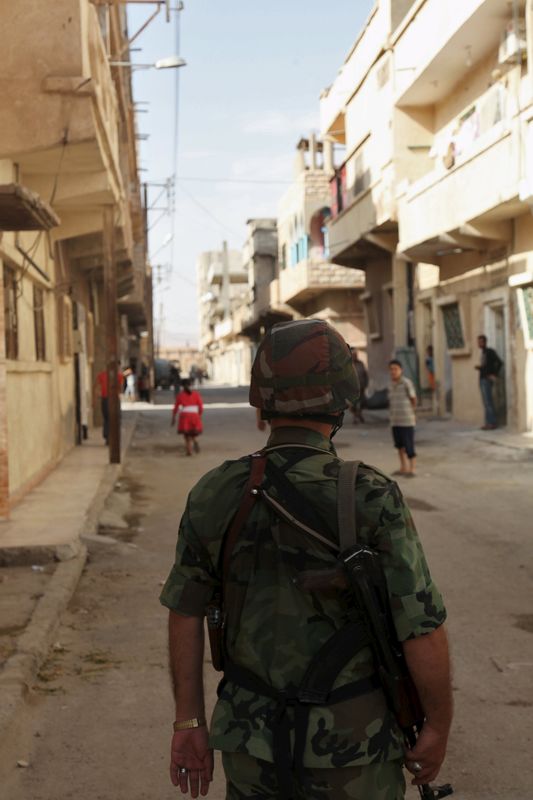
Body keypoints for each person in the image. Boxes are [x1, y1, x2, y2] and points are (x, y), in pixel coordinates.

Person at [160, 319, 452, 800]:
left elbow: (185, 610)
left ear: (261, 405)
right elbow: (419, 626)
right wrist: (438, 725)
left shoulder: (216, 491)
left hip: (250, 746)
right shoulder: (372, 495)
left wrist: (189, 721)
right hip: (354, 750)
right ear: (342, 401)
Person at [388, 359, 417, 477]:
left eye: (395, 369)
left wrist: (412, 413)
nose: (393, 372)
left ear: (401, 370)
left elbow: (413, 399)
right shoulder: (390, 385)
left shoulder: (406, 383)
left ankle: (412, 469)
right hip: (395, 421)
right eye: (391, 369)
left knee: (409, 446)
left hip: (407, 421)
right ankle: (403, 467)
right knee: (399, 446)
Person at [475, 335, 502, 430]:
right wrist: (480, 368)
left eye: (481, 342)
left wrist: (494, 374)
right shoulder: (483, 353)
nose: (479, 343)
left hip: (486, 380)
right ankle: (488, 423)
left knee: (488, 402)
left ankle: (492, 422)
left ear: (485, 342)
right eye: (478, 342)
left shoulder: (490, 352)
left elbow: (499, 362)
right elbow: (486, 366)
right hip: (482, 379)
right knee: (486, 402)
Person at [171, 379, 204, 456]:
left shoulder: (180, 395)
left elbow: (175, 408)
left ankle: (189, 451)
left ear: (182, 386)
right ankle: (195, 441)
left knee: (186, 435)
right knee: (192, 432)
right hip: (194, 415)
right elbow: (201, 407)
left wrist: (173, 418)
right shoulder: (196, 395)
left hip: (185, 417)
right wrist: (199, 415)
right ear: (191, 385)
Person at [94, 366, 124, 444]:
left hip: (105, 399)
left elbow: (96, 387)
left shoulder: (101, 375)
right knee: (115, 418)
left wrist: (95, 398)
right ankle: (114, 437)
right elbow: (120, 388)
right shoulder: (119, 376)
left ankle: (107, 437)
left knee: (107, 418)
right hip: (114, 399)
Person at [349, 347, 368, 423]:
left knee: (363, 402)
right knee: (353, 404)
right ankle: (356, 416)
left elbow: (365, 374)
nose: (355, 355)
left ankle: (359, 414)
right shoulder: (348, 364)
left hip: (362, 387)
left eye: (356, 354)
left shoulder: (361, 363)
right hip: (352, 388)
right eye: (353, 354)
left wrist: (366, 383)